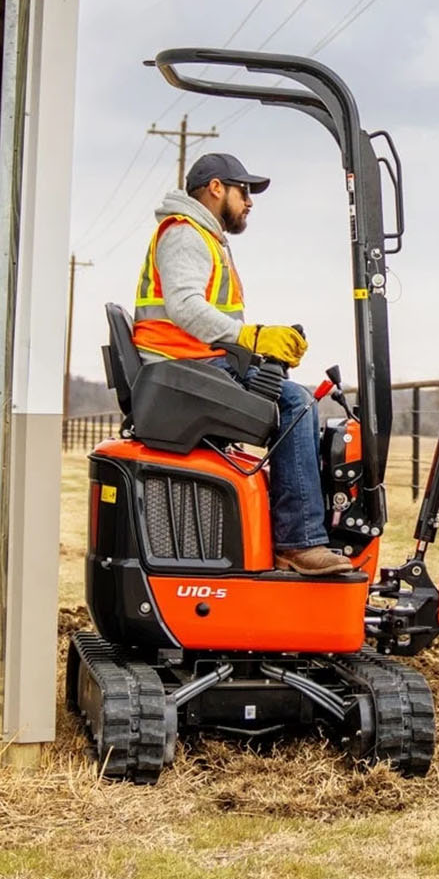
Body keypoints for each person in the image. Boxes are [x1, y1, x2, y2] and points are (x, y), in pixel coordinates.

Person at [131, 151, 354, 577]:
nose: (249, 201)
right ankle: (299, 542)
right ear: (217, 188)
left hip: (194, 365)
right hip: (180, 370)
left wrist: (258, 349)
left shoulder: (203, 237)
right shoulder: (185, 234)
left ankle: (289, 531)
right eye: (244, 191)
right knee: (297, 405)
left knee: (291, 394)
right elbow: (185, 308)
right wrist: (251, 338)